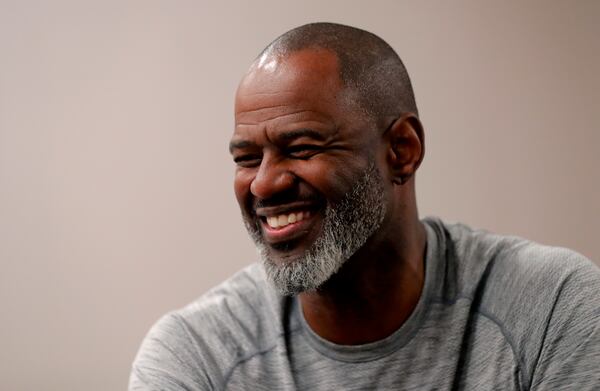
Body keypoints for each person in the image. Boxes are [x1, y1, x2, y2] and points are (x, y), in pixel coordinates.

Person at [129, 23, 600, 390]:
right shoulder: (196, 357)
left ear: (402, 150)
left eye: (301, 147)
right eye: (247, 159)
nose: (264, 184)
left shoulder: (549, 308)